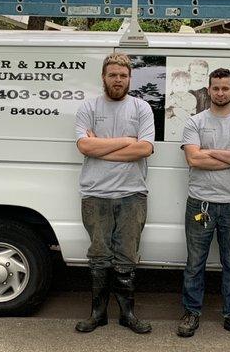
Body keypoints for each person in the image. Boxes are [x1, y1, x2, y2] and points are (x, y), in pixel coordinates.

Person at [74, 53, 155, 334]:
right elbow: (85, 148)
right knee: (99, 256)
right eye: (113, 75)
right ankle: (97, 314)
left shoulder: (142, 108)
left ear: (130, 78)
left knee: (126, 257)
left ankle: (127, 314)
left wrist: (102, 147)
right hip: (95, 194)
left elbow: (144, 149)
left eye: (123, 75)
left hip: (133, 194)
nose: (118, 80)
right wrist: (126, 143)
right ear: (104, 77)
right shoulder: (88, 107)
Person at [178, 68, 230, 340]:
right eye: (216, 88)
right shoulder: (195, 123)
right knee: (194, 263)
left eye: (226, 88)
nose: (220, 93)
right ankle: (191, 312)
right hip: (200, 205)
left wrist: (210, 152)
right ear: (208, 90)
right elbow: (194, 160)